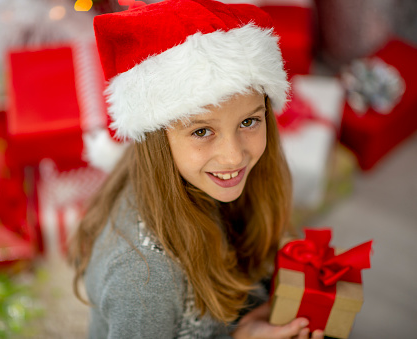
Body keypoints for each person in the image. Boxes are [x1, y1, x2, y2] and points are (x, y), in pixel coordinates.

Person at [70, 0, 324, 338]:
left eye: (248, 121)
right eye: (202, 131)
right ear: (157, 139)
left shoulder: (204, 175)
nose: (234, 157)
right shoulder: (143, 281)